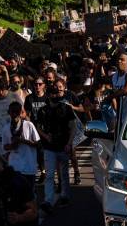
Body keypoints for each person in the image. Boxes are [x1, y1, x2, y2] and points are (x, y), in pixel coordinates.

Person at [37, 81, 76, 214]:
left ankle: (65, 196)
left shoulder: (66, 108)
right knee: (49, 175)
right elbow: (38, 126)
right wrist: (45, 136)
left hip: (63, 145)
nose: (54, 95)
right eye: (52, 93)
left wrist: (69, 143)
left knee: (64, 174)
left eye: (56, 92)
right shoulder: (43, 110)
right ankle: (48, 200)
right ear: (48, 95)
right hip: (49, 147)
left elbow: (73, 127)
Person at [1, 101, 40, 191]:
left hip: (28, 167)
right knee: (17, 194)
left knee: (30, 194)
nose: (14, 114)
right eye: (12, 111)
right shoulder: (6, 128)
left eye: (16, 111)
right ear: (8, 112)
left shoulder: (29, 125)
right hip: (14, 167)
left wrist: (22, 141)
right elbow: (5, 146)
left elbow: (37, 144)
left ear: (21, 112)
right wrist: (12, 145)